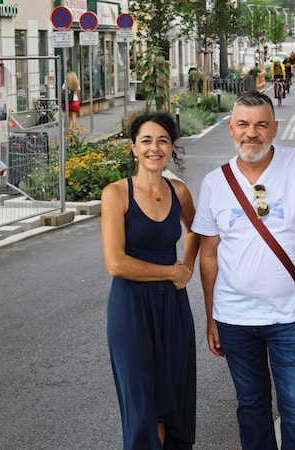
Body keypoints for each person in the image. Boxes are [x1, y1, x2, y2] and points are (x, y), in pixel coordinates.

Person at [191, 92, 295, 450]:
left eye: (261, 124)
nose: (251, 133)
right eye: (243, 124)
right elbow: (208, 254)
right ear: (231, 129)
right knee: (251, 407)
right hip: (235, 319)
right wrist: (212, 316)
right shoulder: (215, 182)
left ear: (274, 129)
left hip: (292, 316)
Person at [101, 112, 200, 449]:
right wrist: (172, 272)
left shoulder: (180, 192)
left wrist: (186, 266)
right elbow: (115, 263)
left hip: (172, 307)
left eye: (162, 141)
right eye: (146, 140)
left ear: (172, 148)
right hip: (131, 311)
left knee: (173, 404)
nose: (154, 148)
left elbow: (197, 230)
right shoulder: (116, 194)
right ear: (133, 148)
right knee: (142, 408)